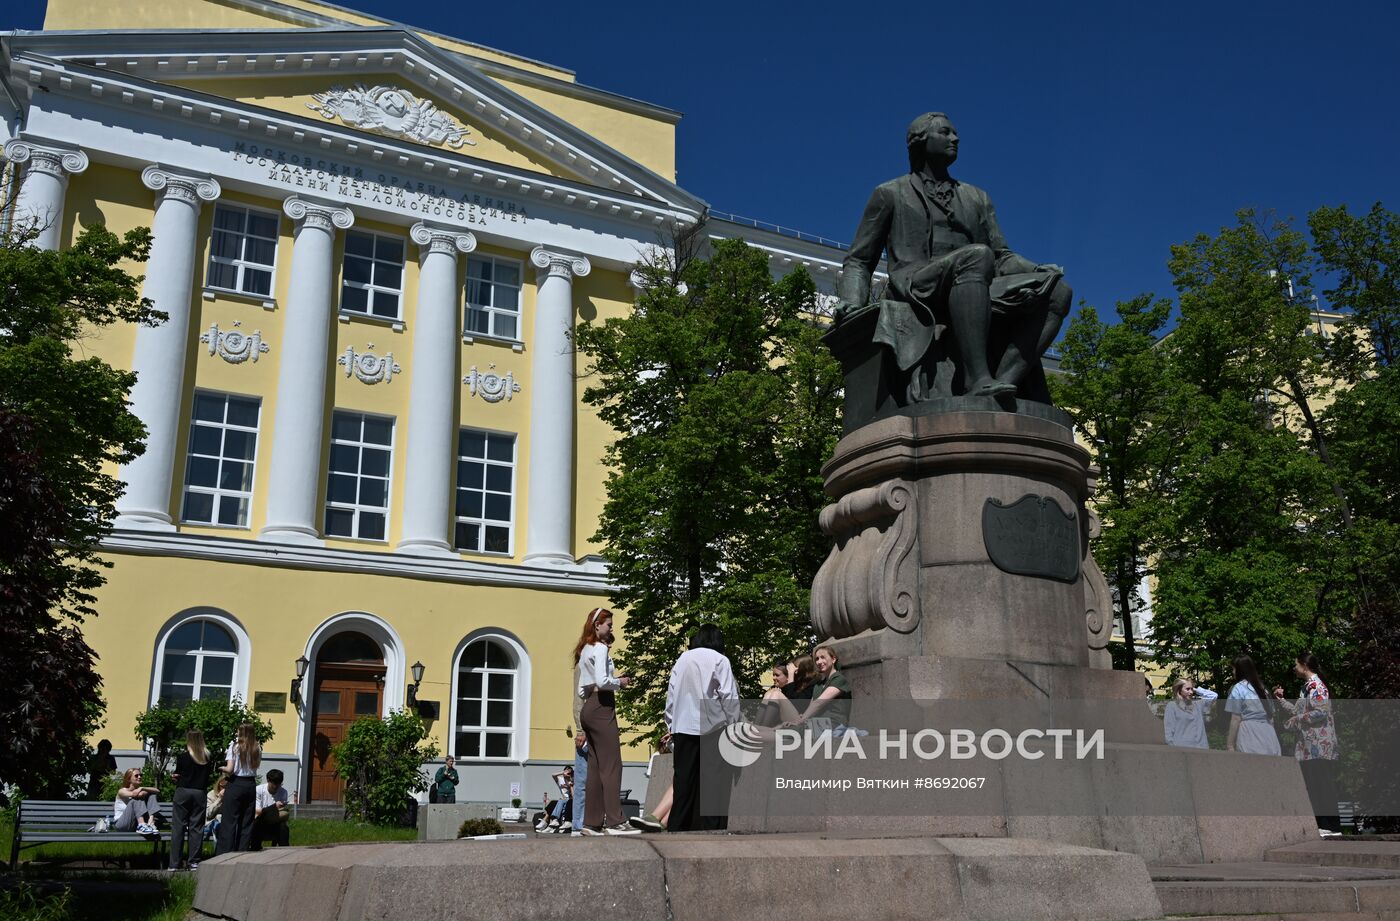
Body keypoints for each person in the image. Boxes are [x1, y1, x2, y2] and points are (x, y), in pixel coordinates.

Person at [836, 112, 1072, 403]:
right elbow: (859, 259)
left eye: (954, 133)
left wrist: (1037, 270)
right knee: (976, 256)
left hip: (976, 278)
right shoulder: (889, 193)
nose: (955, 138)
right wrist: (851, 301)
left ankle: (1003, 383)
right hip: (917, 284)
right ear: (920, 141)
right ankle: (977, 378)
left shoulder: (977, 197)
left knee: (1058, 291)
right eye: (945, 133)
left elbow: (1002, 256)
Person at [664, 625, 740, 832]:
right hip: (712, 726)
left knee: (683, 780)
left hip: (682, 725)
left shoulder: (683, 659)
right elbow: (728, 695)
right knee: (712, 781)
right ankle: (711, 827)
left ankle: (677, 825)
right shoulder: (720, 660)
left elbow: (672, 694)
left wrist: (670, 723)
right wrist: (734, 724)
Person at [574, 607, 640, 835]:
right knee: (612, 765)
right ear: (597, 625)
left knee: (594, 768)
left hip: (589, 708)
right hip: (602, 705)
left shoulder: (584, 649)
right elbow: (603, 682)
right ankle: (615, 821)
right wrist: (619, 682)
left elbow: (583, 689)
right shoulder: (600, 648)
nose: (611, 628)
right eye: (609, 624)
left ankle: (591, 823)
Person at [1275, 652, 1341, 836]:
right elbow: (1297, 710)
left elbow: (1321, 711)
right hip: (1309, 746)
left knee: (1322, 785)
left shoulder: (1316, 686)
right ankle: (1323, 825)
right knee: (1314, 785)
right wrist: (1280, 700)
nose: (1294, 668)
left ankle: (1332, 827)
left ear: (1304, 665)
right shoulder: (1306, 688)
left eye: (1296, 664)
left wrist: (1296, 721)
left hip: (1320, 745)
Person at [170, 729, 214, 870]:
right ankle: (194, 861)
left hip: (183, 791)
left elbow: (179, 774)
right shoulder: (207, 757)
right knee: (196, 827)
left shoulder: (183, 757)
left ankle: (174, 863)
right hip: (200, 792)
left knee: (179, 827)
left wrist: (175, 777)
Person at [787, 645, 853, 734]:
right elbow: (812, 705)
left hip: (833, 725)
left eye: (823, 657)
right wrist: (802, 717)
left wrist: (800, 721)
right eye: (817, 659)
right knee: (783, 728)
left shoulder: (838, 679)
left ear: (833, 659)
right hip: (817, 723)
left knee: (788, 733)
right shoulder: (819, 684)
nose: (819, 661)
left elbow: (819, 703)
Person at [217, 722, 261, 854]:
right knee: (246, 821)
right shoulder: (257, 747)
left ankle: (225, 852)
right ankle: (242, 851)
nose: (236, 733)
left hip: (236, 783)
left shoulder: (234, 747)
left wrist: (221, 768)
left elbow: (230, 769)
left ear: (241, 732)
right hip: (250, 784)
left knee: (230, 820)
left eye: (238, 731)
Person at [1225, 655, 1281, 756]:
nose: (1233, 672)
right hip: (1269, 735)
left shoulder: (1238, 688)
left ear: (1240, 670)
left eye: (1233, 669)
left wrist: (1230, 745)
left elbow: (1236, 719)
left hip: (1249, 735)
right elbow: (1271, 718)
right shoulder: (1264, 689)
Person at [758, 656, 817, 727]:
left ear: (803, 669)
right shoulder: (798, 683)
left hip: (800, 721)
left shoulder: (812, 684)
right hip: (790, 717)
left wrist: (791, 676)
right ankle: (756, 726)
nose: (792, 670)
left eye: (795, 667)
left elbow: (797, 706)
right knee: (771, 692)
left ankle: (762, 728)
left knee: (776, 694)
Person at [1164, 678, 1218, 749]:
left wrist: (1196, 690)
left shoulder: (1198, 704)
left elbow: (1213, 696)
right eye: (1187, 689)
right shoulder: (1172, 706)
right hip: (1182, 749)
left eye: (1192, 689)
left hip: (1201, 747)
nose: (1191, 692)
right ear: (1179, 690)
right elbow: (1168, 732)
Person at [251, 768, 293, 849]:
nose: (276, 786)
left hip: (275, 822)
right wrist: (274, 807)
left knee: (283, 827)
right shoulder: (259, 790)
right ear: (268, 780)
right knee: (256, 823)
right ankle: (255, 848)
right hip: (260, 821)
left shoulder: (283, 792)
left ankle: (284, 850)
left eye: (279, 784)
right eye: (274, 783)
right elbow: (257, 811)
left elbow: (281, 813)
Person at [113, 768, 162, 835]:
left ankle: (150, 823)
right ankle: (141, 824)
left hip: (134, 823)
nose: (139, 777)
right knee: (136, 798)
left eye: (141, 775)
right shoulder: (122, 791)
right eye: (136, 775)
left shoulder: (140, 790)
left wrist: (142, 788)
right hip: (121, 824)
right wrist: (143, 791)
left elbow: (157, 791)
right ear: (129, 779)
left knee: (152, 795)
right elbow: (135, 794)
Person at [203, 775, 228, 846]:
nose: (224, 789)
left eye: (227, 787)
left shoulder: (232, 795)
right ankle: (219, 853)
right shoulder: (211, 794)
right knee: (218, 826)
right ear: (218, 785)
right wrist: (219, 799)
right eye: (223, 787)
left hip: (228, 822)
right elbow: (209, 814)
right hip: (211, 823)